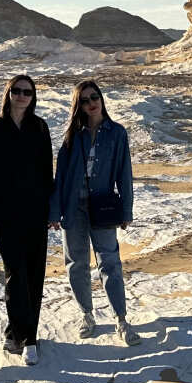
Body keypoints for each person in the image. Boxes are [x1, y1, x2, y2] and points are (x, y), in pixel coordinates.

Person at [49, 78, 139, 346]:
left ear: (102, 99)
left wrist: (126, 209)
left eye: (95, 97)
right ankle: (86, 315)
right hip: (73, 208)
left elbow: (124, 173)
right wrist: (54, 211)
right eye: (85, 100)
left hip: (103, 206)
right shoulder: (72, 135)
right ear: (78, 105)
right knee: (76, 263)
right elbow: (61, 176)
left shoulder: (117, 132)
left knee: (110, 262)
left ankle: (120, 319)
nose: (91, 103)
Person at [0, 74, 54, 365]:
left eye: (28, 92)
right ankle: (26, 338)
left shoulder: (39, 126)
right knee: (15, 272)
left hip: (35, 211)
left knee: (34, 273)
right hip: (3, 213)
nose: (22, 96)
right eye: (17, 91)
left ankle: (21, 332)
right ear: (8, 93)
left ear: (33, 97)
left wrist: (52, 208)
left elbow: (48, 170)